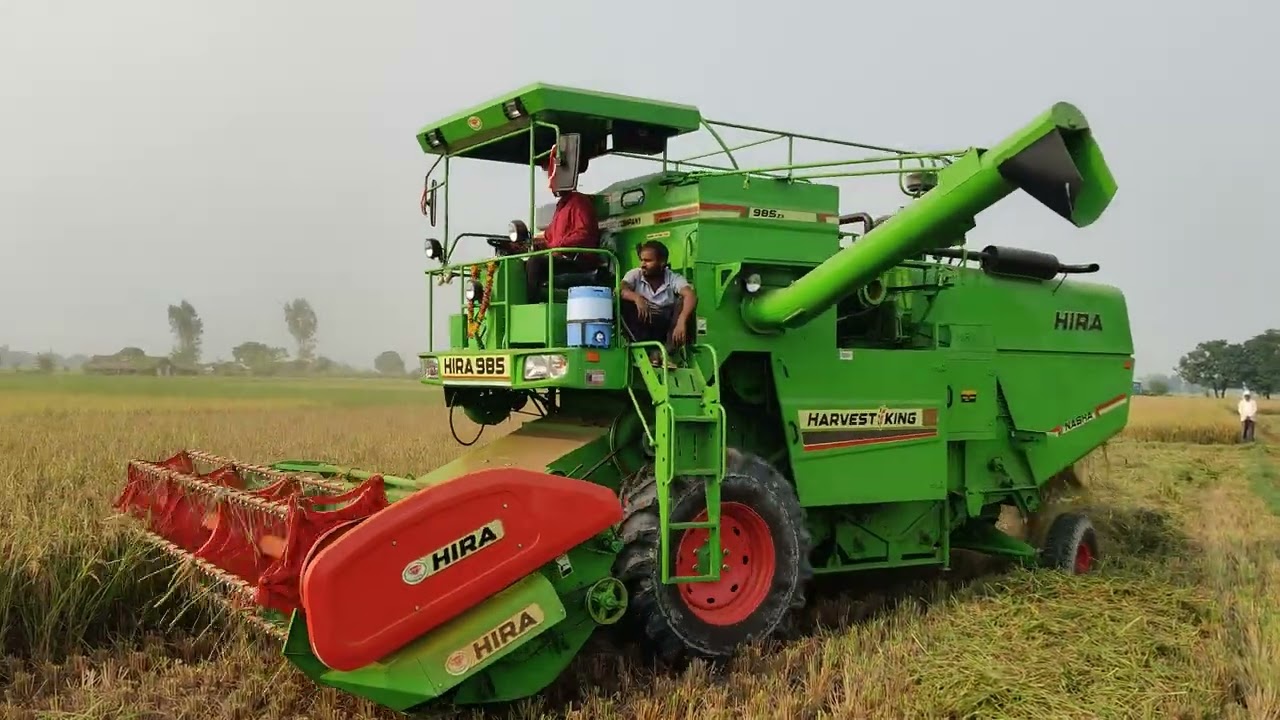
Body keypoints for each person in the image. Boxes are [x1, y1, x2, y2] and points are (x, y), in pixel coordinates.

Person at [525, 155, 601, 298]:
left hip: (577, 261)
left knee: (535, 263)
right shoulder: (561, 206)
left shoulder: (579, 202)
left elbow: (584, 235)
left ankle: (533, 302)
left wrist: (558, 246)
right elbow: (549, 237)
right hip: (562, 257)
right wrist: (527, 244)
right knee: (520, 265)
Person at [620, 241, 696, 366]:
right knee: (624, 303)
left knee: (684, 303)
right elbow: (620, 289)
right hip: (642, 324)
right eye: (642, 260)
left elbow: (690, 295)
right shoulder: (635, 274)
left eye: (648, 261)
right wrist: (637, 298)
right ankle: (648, 351)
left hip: (665, 323)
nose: (643, 264)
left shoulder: (673, 277)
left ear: (662, 263)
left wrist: (681, 321)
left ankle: (666, 353)